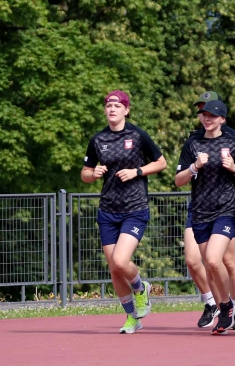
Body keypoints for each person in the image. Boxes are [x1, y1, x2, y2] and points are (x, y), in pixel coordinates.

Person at [81, 90, 167, 334]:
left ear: (126, 110)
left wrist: (137, 171)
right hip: (108, 210)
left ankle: (141, 288)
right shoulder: (98, 139)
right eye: (109, 106)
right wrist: (93, 173)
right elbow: (85, 173)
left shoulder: (137, 135)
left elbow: (161, 162)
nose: (112, 109)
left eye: (117, 106)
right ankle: (132, 317)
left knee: (120, 261)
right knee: (114, 269)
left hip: (134, 208)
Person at [175, 98, 235, 334]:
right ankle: (223, 308)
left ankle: (233, 307)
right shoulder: (193, 143)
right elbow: (178, 180)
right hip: (200, 212)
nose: (207, 118)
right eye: (204, 115)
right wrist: (194, 167)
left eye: (212, 115)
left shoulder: (233, 141)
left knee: (213, 259)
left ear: (222, 119)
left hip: (226, 210)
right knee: (209, 267)